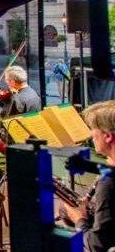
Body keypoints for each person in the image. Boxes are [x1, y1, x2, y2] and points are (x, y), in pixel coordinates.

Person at [61, 101, 115, 252]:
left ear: (108, 136)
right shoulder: (109, 170)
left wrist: (80, 220)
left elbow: (96, 245)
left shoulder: (109, 182)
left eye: (93, 130)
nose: (91, 136)